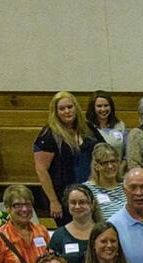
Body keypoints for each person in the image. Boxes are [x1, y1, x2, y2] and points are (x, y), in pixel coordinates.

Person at [33, 91, 97, 222]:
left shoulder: (88, 128)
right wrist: (54, 201)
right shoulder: (49, 135)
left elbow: (102, 150)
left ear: (76, 108)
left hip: (91, 191)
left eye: (70, 107)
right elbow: (41, 170)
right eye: (62, 109)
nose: (67, 111)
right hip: (65, 196)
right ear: (55, 112)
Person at [48, 185, 100, 263]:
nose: (77, 206)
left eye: (82, 202)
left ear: (92, 204)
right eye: (73, 202)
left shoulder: (104, 231)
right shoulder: (59, 235)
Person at [83, 142, 126, 221]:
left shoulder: (126, 186)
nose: (110, 166)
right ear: (96, 166)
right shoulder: (87, 190)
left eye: (113, 161)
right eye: (105, 163)